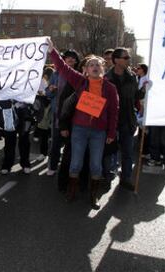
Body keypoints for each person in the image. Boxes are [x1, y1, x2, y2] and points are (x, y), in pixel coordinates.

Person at [47, 38, 119, 209]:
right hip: (79, 130)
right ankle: (71, 191)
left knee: (96, 164)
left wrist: (110, 133)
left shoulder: (110, 88)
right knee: (76, 163)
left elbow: (114, 112)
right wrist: (52, 50)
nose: (95, 67)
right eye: (91, 65)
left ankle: (93, 197)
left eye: (98, 65)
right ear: (86, 70)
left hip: (99, 133)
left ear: (103, 69)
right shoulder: (80, 82)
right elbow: (63, 68)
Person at [106, 48, 144, 190]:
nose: (129, 59)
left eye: (128, 57)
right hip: (111, 121)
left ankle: (126, 178)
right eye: (126, 57)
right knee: (110, 151)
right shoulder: (106, 78)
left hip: (128, 120)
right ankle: (108, 175)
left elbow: (136, 97)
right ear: (116, 60)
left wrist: (144, 90)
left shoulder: (132, 77)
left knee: (127, 152)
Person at [47, 49, 80, 177]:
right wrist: (51, 89)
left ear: (76, 60)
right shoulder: (56, 74)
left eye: (73, 57)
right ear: (63, 60)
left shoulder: (79, 74)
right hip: (58, 113)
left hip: (75, 115)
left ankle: (70, 168)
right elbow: (48, 93)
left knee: (72, 144)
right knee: (55, 142)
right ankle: (53, 166)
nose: (70, 59)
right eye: (68, 57)